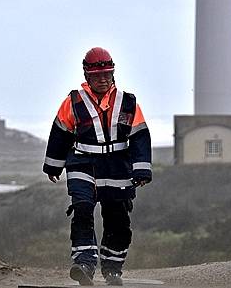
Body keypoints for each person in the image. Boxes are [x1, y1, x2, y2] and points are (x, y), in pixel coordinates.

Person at [43, 47, 152, 286]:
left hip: (118, 165)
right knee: (82, 209)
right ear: (87, 76)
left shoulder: (128, 102)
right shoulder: (73, 101)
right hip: (83, 162)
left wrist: (142, 169)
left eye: (107, 74)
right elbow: (60, 132)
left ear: (113, 73)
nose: (103, 79)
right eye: (97, 75)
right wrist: (53, 165)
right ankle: (84, 264)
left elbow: (140, 135)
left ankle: (112, 269)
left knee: (118, 217)